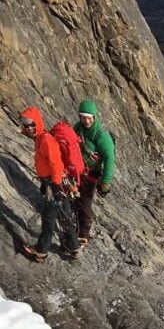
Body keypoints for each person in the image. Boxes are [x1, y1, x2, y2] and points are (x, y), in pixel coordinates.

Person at [18, 107, 80, 262]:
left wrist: (55, 186)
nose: (29, 127)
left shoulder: (46, 140)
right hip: (56, 183)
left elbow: (56, 165)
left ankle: (41, 251)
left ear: (38, 122)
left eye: (31, 124)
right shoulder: (40, 137)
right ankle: (74, 248)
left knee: (48, 218)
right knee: (65, 216)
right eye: (25, 124)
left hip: (55, 184)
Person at [73, 99, 115, 244]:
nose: (86, 120)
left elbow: (110, 158)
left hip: (91, 173)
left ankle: (83, 234)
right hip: (77, 169)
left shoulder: (101, 136)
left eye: (88, 117)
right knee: (74, 196)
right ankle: (74, 223)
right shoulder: (78, 128)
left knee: (84, 202)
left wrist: (106, 182)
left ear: (94, 117)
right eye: (83, 116)